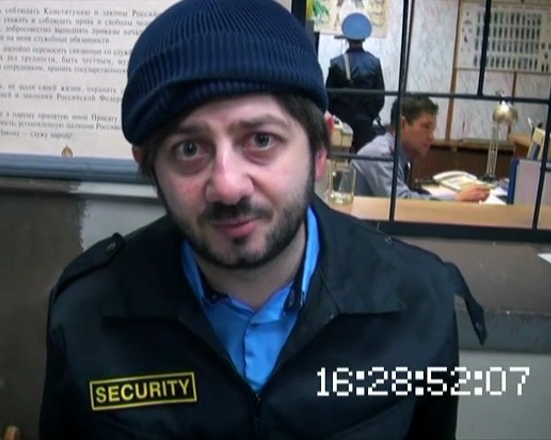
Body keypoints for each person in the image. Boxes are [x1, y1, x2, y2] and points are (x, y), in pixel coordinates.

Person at [39, 0, 487, 438]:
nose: (228, 186)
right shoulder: (88, 315)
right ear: (151, 168)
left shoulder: (416, 302)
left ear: (319, 148)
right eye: (189, 149)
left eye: (261, 139)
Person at [353, 96, 491, 202]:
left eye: (432, 130)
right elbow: (400, 202)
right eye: (426, 127)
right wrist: (455, 198)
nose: (431, 136)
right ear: (402, 124)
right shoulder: (381, 154)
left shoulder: (397, 153)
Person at [325, 12, 385, 151]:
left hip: (342, 123)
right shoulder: (374, 63)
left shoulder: (337, 63)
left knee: (340, 157)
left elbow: (328, 96)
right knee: (363, 157)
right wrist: (369, 115)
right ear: (364, 38)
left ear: (346, 37)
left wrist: (338, 114)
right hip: (365, 123)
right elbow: (380, 97)